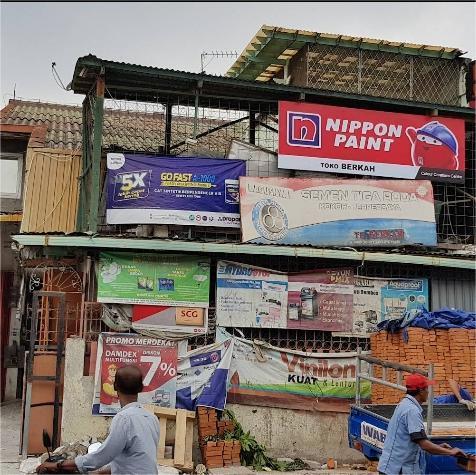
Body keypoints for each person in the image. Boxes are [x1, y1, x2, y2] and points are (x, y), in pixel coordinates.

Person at [37, 365, 160, 475]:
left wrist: (58, 465)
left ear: (115, 386)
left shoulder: (124, 419)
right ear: (141, 388)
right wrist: (100, 472)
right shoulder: (152, 419)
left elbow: (101, 457)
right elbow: (135, 460)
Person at [378, 374, 466, 475]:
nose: (428, 392)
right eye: (427, 389)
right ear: (421, 391)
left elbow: (414, 440)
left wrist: (439, 447)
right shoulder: (412, 410)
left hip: (390, 467)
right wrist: (451, 452)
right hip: (397, 470)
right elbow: (424, 444)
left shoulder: (404, 404)